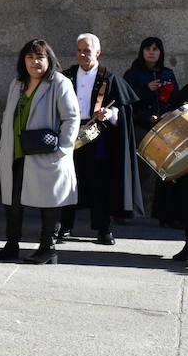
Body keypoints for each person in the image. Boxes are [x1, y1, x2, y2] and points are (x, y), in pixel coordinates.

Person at [0, 39, 79, 264]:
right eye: (30, 57)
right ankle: (12, 243)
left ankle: (48, 248)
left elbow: (71, 118)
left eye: (40, 57)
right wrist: (3, 144)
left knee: (49, 202)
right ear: (23, 61)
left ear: (48, 59)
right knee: (12, 202)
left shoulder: (59, 83)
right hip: (15, 151)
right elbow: (7, 115)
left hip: (46, 152)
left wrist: (62, 149)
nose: (35, 62)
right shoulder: (17, 83)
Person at [58, 33, 142, 246]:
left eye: (87, 50)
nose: (82, 54)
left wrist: (110, 113)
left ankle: (103, 229)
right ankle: (64, 226)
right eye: (79, 50)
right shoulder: (66, 77)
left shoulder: (110, 78)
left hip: (97, 139)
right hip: (69, 135)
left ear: (98, 52)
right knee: (68, 180)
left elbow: (123, 109)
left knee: (99, 182)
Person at [124, 37, 182, 234]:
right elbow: (127, 101)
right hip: (141, 125)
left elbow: (175, 100)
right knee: (144, 169)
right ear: (142, 51)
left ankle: (164, 214)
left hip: (164, 127)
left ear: (161, 53)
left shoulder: (167, 73)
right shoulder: (133, 74)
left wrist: (166, 114)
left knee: (168, 171)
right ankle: (130, 210)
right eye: (148, 49)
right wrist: (146, 90)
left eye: (155, 49)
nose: (151, 52)